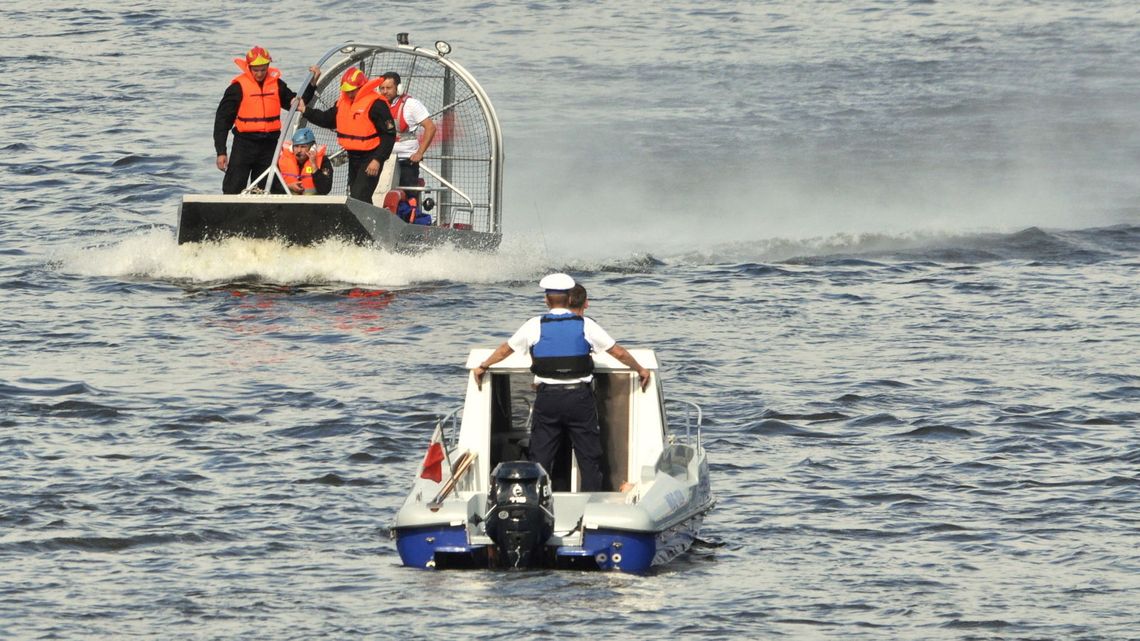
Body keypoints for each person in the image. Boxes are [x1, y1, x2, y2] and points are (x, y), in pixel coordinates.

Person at [473, 274, 650, 492]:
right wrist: (640, 369)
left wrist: (484, 365)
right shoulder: (586, 325)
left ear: (547, 300)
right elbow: (619, 353)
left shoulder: (533, 325)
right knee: (589, 457)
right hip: (579, 399)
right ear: (568, 299)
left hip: (548, 399)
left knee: (541, 458)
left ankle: (537, 501)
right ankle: (590, 506)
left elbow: (503, 350)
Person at [214, 46, 320, 194]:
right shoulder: (237, 88)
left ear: (268, 66)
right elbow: (222, 122)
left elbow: (297, 103)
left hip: (269, 145)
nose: (259, 74)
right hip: (244, 145)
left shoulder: (277, 85)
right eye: (255, 70)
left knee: (266, 188)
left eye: (263, 69)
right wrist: (221, 152)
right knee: (233, 187)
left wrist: (312, 84)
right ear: (249, 67)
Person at [297, 67, 397, 202]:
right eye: (347, 91)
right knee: (357, 195)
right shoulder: (342, 103)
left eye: (353, 91)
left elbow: (389, 136)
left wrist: (377, 160)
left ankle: (364, 221)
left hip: (371, 156)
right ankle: (367, 222)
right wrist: (305, 110)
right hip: (353, 156)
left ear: (362, 87)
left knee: (359, 195)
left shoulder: (376, 104)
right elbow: (327, 119)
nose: (350, 94)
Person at [378, 72, 437, 191]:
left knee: (408, 194)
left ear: (399, 88)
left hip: (406, 159)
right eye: (382, 88)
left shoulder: (411, 104)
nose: (384, 91)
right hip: (383, 158)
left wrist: (419, 153)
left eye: (388, 88)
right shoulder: (378, 104)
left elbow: (430, 127)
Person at [277, 128, 333, 195]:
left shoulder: (323, 161)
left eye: (303, 147)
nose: (299, 150)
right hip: (287, 203)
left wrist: (314, 165)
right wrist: (288, 186)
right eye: (296, 146)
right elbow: (271, 185)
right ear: (292, 148)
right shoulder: (281, 160)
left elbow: (325, 189)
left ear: (313, 147)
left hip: (312, 203)